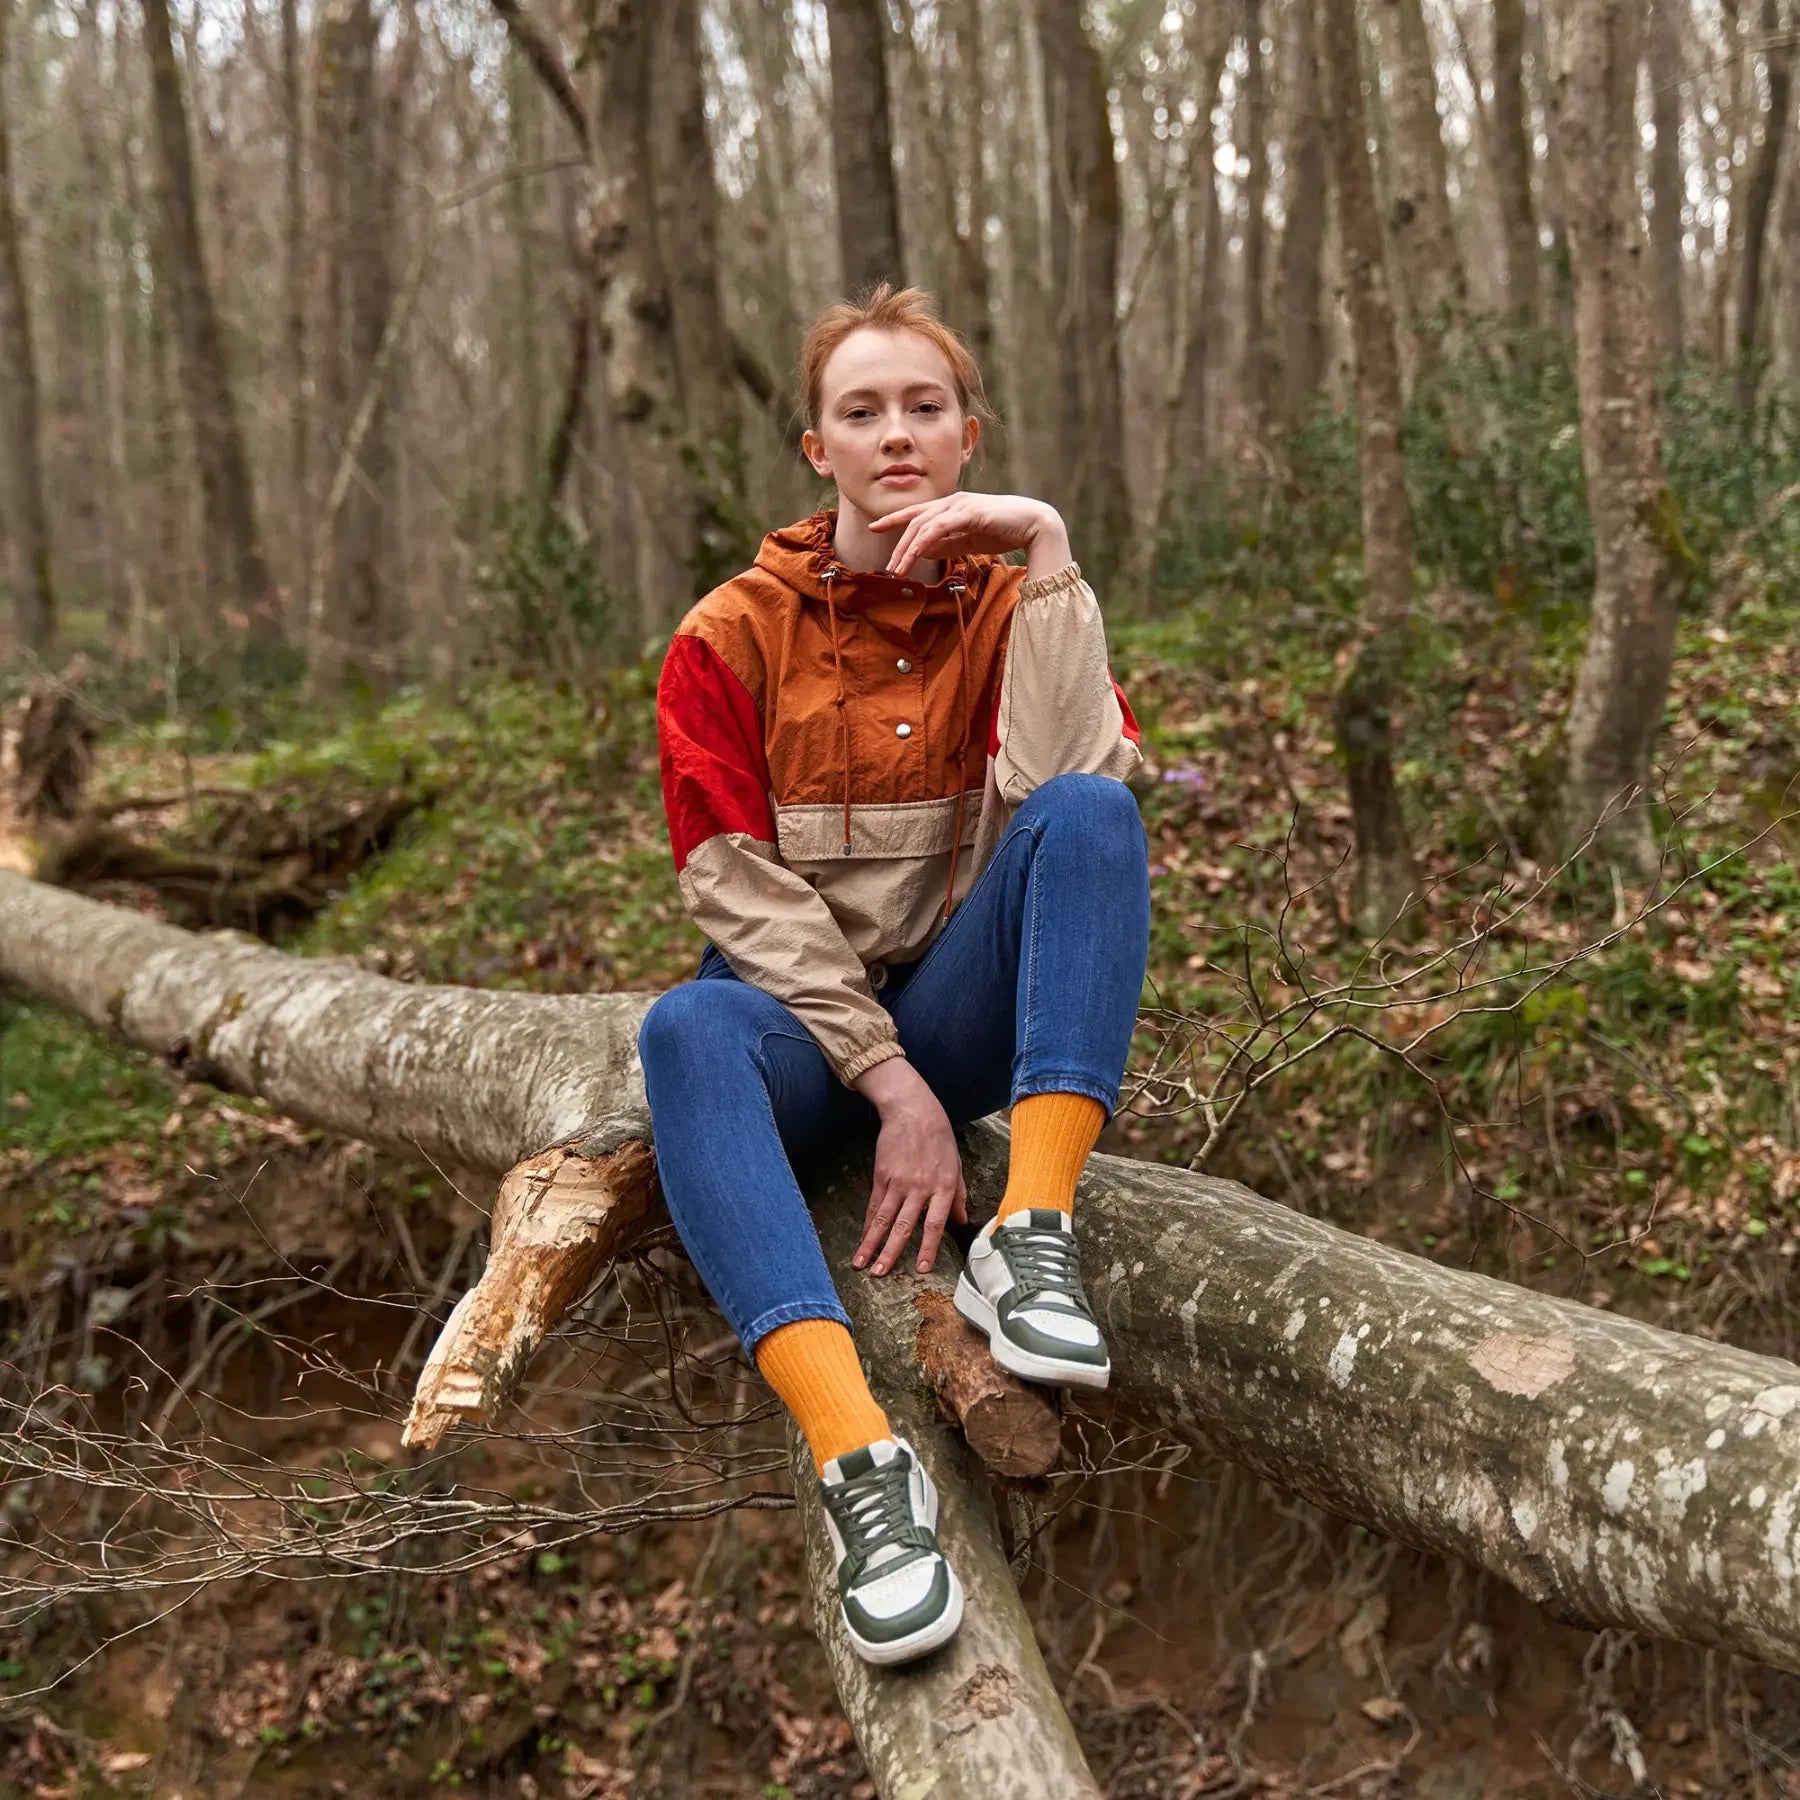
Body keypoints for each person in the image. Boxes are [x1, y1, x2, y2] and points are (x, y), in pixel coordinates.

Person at [638, 284, 1151, 1667]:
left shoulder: (1013, 601)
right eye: (862, 411)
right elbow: (731, 885)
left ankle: (1029, 1239)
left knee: (1099, 819)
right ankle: (864, 1463)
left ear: (969, 433)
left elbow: (1065, 798)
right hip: (808, 1040)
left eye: (924, 406)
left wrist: (1044, 555)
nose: (897, 433)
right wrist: (888, 1081)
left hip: (962, 1003)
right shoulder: (725, 636)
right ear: (818, 448)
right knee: (686, 1027)